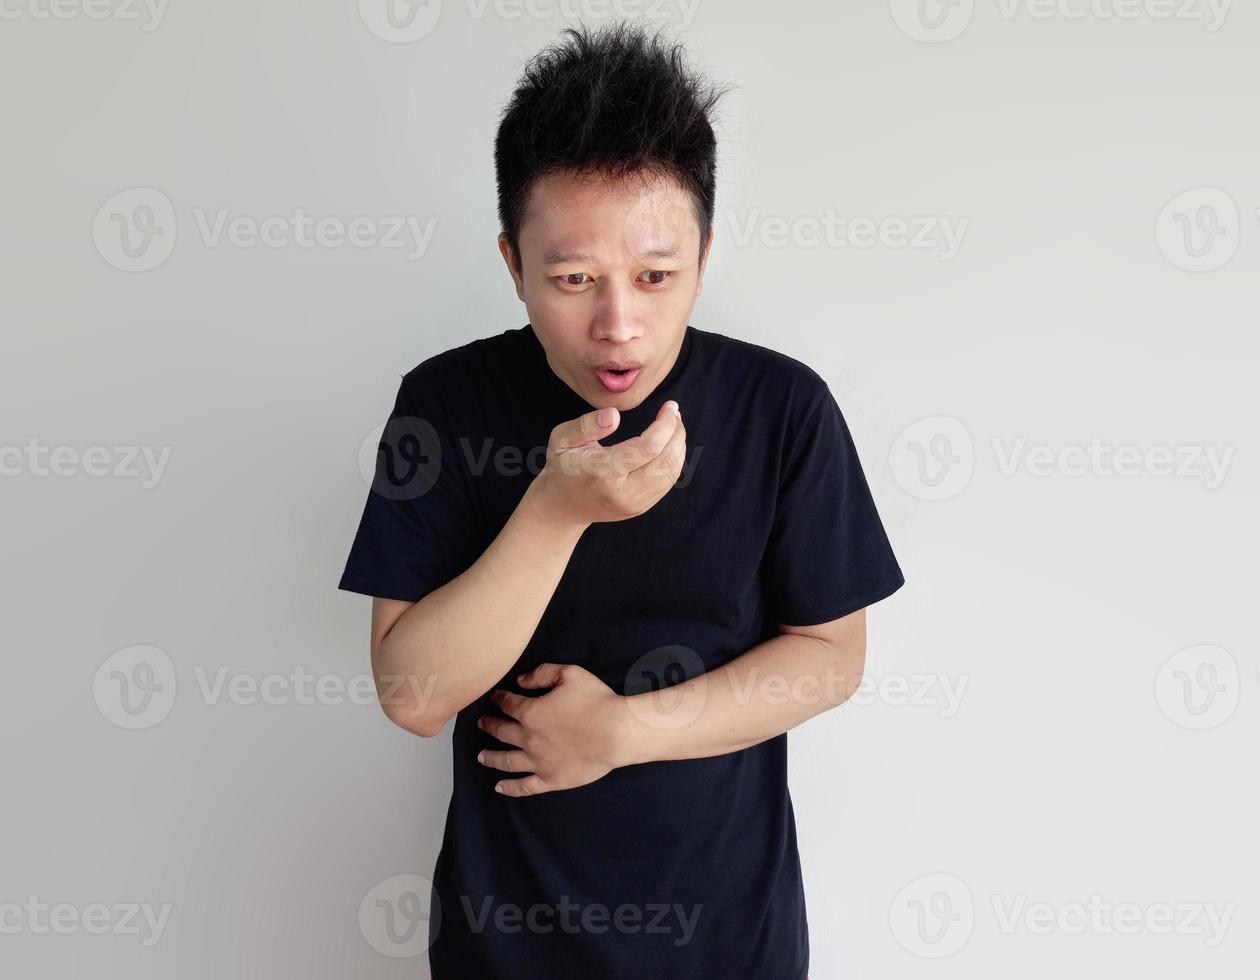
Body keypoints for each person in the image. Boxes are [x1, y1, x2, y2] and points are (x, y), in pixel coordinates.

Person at [339, 20, 903, 979]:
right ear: (513, 264)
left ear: (706, 253)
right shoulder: (445, 404)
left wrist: (623, 733)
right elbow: (413, 693)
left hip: (731, 942)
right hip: (504, 946)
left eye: (655, 276)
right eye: (571, 279)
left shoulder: (783, 409)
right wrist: (555, 511)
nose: (619, 324)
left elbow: (831, 656)